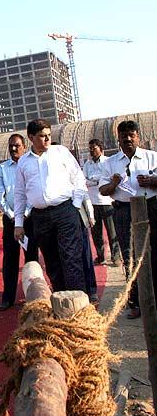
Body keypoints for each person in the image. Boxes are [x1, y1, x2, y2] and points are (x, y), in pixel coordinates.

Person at [14, 119, 87, 293]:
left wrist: (75, 206)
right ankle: (61, 300)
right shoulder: (23, 162)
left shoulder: (61, 152)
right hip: (40, 217)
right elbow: (19, 194)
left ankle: (79, 304)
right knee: (52, 261)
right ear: (31, 137)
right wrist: (18, 224)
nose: (47, 139)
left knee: (71, 259)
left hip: (65, 211)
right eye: (42, 136)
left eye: (48, 135)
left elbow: (78, 178)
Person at [99, 120, 157, 319]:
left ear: (138, 136)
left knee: (153, 252)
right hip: (124, 210)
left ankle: (154, 299)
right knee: (129, 255)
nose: (128, 139)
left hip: (151, 207)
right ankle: (135, 302)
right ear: (119, 139)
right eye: (124, 136)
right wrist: (114, 183)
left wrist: (151, 181)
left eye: (132, 135)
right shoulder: (110, 163)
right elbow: (102, 190)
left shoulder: (151, 157)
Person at [0, 134, 38, 310]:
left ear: (24, 146)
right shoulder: (2, 168)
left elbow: (33, 189)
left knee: (31, 259)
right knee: (10, 259)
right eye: (11, 146)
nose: (13, 149)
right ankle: (8, 297)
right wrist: (13, 216)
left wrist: (25, 214)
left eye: (17, 146)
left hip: (29, 219)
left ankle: (33, 296)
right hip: (10, 219)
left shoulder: (30, 165)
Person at [83, 139, 121, 265]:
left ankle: (115, 257)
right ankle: (100, 256)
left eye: (94, 148)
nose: (92, 150)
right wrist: (97, 181)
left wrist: (94, 181)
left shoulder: (107, 162)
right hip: (93, 203)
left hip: (107, 202)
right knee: (96, 232)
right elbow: (84, 181)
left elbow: (108, 179)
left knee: (112, 231)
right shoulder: (87, 164)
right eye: (90, 148)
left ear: (100, 148)